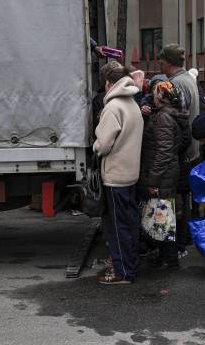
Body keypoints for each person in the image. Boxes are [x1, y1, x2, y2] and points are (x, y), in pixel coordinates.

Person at [94, 64, 144, 285]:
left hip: (115, 174)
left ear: (108, 83)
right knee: (129, 222)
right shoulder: (132, 103)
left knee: (117, 225)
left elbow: (103, 145)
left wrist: (95, 145)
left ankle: (123, 271)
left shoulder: (113, 107)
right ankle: (128, 264)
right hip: (131, 172)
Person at [138, 81, 191, 269]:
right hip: (168, 171)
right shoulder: (169, 115)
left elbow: (164, 151)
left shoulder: (163, 118)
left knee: (162, 214)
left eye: (155, 93)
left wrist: (153, 179)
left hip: (162, 173)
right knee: (163, 213)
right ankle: (166, 256)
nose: (153, 96)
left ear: (161, 97)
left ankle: (169, 258)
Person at [158, 44, 200, 256]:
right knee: (185, 199)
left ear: (168, 61)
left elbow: (177, 122)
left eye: (162, 60)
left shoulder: (175, 84)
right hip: (190, 150)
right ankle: (184, 241)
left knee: (178, 201)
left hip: (181, 152)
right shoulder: (188, 80)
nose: (160, 63)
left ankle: (178, 246)